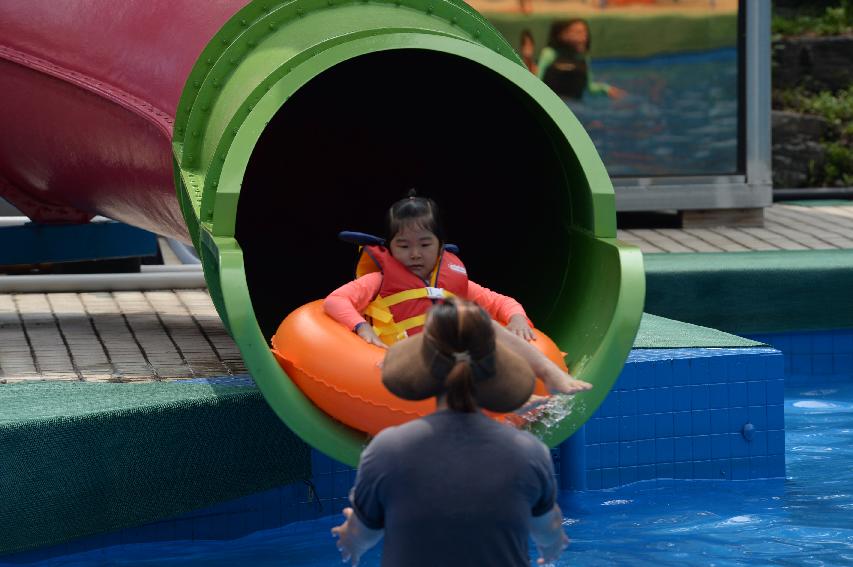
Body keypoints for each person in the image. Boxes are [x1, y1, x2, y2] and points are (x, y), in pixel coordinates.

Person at [332, 298, 587, 566]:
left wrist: (350, 537)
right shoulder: (528, 452)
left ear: (424, 367)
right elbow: (548, 532)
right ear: (494, 370)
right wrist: (551, 548)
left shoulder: (389, 449)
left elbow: (363, 536)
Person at [323, 191, 586, 395]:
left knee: (484, 324)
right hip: (402, 359)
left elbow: (500, 302)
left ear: (440, 247)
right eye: (403, 246)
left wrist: (516, 317)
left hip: (449, 358)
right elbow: (335, 300)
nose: (415, 254)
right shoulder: (378, 281)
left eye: (425, 244)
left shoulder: (454, 283)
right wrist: (361, 327)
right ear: (389, 248)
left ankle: (547, 373)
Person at [538, 18, 627, 101]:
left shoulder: (583, 58)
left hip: (575, 105)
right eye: (578, 33)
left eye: (585, 33)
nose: (584, 37)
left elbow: (590, 87)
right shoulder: (549, 54)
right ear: (563, 35)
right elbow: (537, 82)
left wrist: (607, 89)